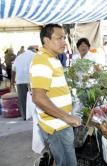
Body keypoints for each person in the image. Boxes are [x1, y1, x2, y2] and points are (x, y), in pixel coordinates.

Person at [30, 24, 81, 166]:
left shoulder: (53, 58)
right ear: (46, 40)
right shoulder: (42, 60)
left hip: (61, 124)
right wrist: (67, 117)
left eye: (64, 38)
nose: (64, 42)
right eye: (59, 38)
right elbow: (38, 97)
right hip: (57, 126)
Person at [11, 46, 36, 120]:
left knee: (23, 99)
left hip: (20, 80)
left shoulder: (18, 57)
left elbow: (13, 70)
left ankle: (25, 116)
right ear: (33, 50)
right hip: (30, 80)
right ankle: (34, 115)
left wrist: (12, 81)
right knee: (34, 98)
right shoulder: (34, 55)